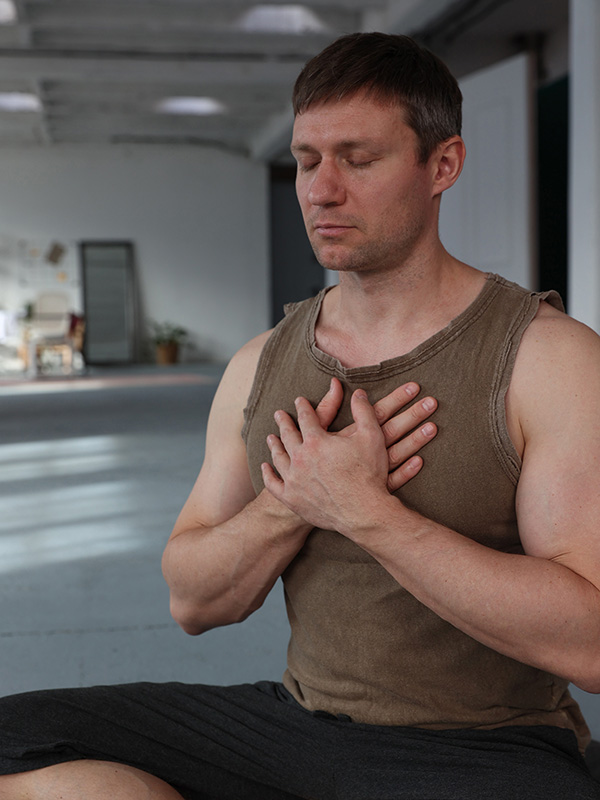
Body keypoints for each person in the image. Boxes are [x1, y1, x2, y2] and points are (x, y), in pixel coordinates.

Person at [1, 31, 600, 800]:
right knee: (17, 732)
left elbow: (589, 642)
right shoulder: (261, 361)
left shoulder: (546, 359)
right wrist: (289, 503)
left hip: (480, 750)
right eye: (308, 160)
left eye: (358, 158)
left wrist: (367, 513)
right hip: (292, 726)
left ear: (441, 165)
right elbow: (192, 599)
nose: (321, 189)